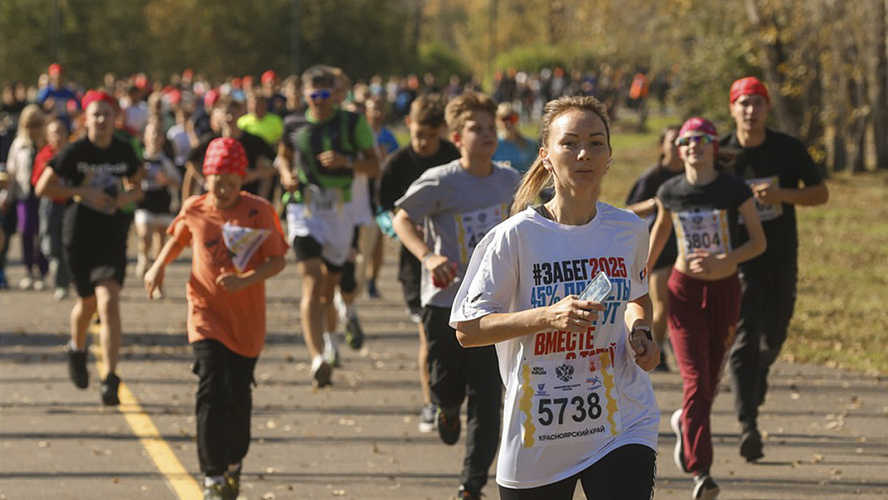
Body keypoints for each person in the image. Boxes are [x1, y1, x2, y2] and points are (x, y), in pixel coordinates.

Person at [450, 95, 660, 500]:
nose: (584, 154)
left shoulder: (628, 229)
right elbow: (468, 330)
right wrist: (547, 317)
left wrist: (641, 333)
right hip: (539, 431)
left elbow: (637, 298)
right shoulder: (514, 237)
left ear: (609, 156)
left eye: (596, 143)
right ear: (546, 156)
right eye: (570, 143)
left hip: (622, 420)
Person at [143, 137, 288, 500]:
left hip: (246, 321)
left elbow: (277, 260)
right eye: (217, 182)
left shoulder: (259, 211)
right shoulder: (194, 208)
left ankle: (233, 463)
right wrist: (158, 266)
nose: (223, 190)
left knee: (236, 396)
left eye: (231, 183)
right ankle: (211, 476)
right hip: (204, 313)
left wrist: (246, 280)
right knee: (210, 386)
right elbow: (178, 239)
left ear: (243, 181)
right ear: (205, 177)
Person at [393, 92, 519, 500]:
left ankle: (471, 484)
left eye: (490, 128)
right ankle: (446, 408)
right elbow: (402, 219)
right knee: (446, 385)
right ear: (457, 138)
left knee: (487, 398)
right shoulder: (441, 181)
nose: (487, 135)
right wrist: (428, 257)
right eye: (476, 129)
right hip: (444, 302)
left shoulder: (509, 181)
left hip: (492, 307)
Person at [647, 117, 767, 499]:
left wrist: (726, 259)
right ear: (678, 149)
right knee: (696, 380)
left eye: (701, 139)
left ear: (714, 146)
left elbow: (758, 242)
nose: (692, 145)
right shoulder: (670, 191)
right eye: (686, 140)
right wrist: (637, 275)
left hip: (725, 292)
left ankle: (686, 423)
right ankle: (702, 470)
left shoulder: (734, 189)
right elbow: (658, 234)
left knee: (709, 382)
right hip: (684, 294)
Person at [720, 76, 829, 462]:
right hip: (739, 257)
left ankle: (759, 374)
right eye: (743, 103)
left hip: (780, 255)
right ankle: (748, 425)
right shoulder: (722, 152)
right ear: (732, 108)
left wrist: (781, 194)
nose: (750, 111)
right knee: (745, 337)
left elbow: (820, 193)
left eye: (757, 103)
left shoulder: (787, 148)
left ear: (767, 108)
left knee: (773, 336)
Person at [36, 90, 144, 406]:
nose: (101, 120)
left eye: (106, 114)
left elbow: (138, 186)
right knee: (87, 304)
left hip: (112, 235)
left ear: (115, 118)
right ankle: (77, 347)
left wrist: (125, 197)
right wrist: (82, 192)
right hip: (79, 236)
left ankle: (110, 377)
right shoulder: (75, 152)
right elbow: (43, 187)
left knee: (108, 301)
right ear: (86, 119)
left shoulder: (124, 151)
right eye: (95, 114)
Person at [277, 64, 378, 387]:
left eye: (325, 94)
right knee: (311, 281)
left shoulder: (351, 123)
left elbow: (374, 165)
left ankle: (331, 338)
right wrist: (286, 175)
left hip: (339, 211)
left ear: (335, 94)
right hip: (303, 209)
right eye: (313, 95)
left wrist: (346, 161)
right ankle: (317, 357)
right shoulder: (293, 122)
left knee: (328, 288)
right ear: (304, 95)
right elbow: (283, 156)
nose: (319, 101)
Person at [378, 94, 461, 433]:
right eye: (418, 135)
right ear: (408, 124)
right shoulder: (397, 163)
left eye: (431, 135)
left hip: (456, 260)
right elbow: (383, 209)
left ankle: (459, 396)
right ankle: (432, 403)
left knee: (457, 335)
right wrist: (402, 231)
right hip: (415, 265)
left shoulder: (453, 157)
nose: (424, 142)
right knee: (429, 337)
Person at [625, 124, 683, 371]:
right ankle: (657, 348)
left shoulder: (692, 174)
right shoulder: (653, 176)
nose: (679, 146)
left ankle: (675, 346)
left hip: (686, 250)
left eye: (682, 141)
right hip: (660, 248)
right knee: (662, 303)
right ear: (662, 147)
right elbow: (629, 209)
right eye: (673, 141)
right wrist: (653, 204)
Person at [6, 104, 49, 290]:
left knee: (43, 233)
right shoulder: (18, 144)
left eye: (37, 124)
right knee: (26, 231)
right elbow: (12, 172)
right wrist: (7, 197)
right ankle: (28, 269)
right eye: (29, 124)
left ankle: (43, 271)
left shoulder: (46, 144)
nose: (33, 128)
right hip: (24, 195)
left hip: (44, 195)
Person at [134, 120, 181, 281]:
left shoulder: (165, 160)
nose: (154, 137)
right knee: (145, 233)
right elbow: (130, 180)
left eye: (157, 134)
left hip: (162, 202)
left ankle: (157, 279)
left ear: (162, 139)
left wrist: (167, 180)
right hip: (144, 201)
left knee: (160, 244)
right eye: (151, 134)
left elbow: (178, 182)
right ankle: (143, 258)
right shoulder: (139, 158)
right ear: (145, 137)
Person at [32, 118, 72, 299]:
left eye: (61, 132)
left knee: (65, 244)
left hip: (69, 204)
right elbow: (36, 181)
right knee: (49, 241)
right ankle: (54, 261)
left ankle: (62, 283)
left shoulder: (72, 154)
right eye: (54, 133)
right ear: (48, 136)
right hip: (50, 204)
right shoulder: (44, 155)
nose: (58, 136)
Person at [492, 102, 538, 174]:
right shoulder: (492, 144)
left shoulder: (529, 144)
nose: (508, 123)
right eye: (504, 119)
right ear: (497, 121)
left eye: (512, 119)